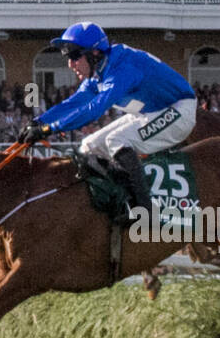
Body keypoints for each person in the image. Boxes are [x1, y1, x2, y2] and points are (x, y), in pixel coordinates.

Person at [19, 22, 197, 216]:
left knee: (117, 140)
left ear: (94, 53)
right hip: (151, 112)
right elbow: (75, 102)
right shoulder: (100, 71)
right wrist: (39, 122)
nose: (70, 64)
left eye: (74, 56)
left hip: (179, 110)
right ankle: (117, 198)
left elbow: (95, 109)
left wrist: (48, 130)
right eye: (67, 57)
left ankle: (145, 209)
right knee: (88, 146)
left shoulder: (121, 68)